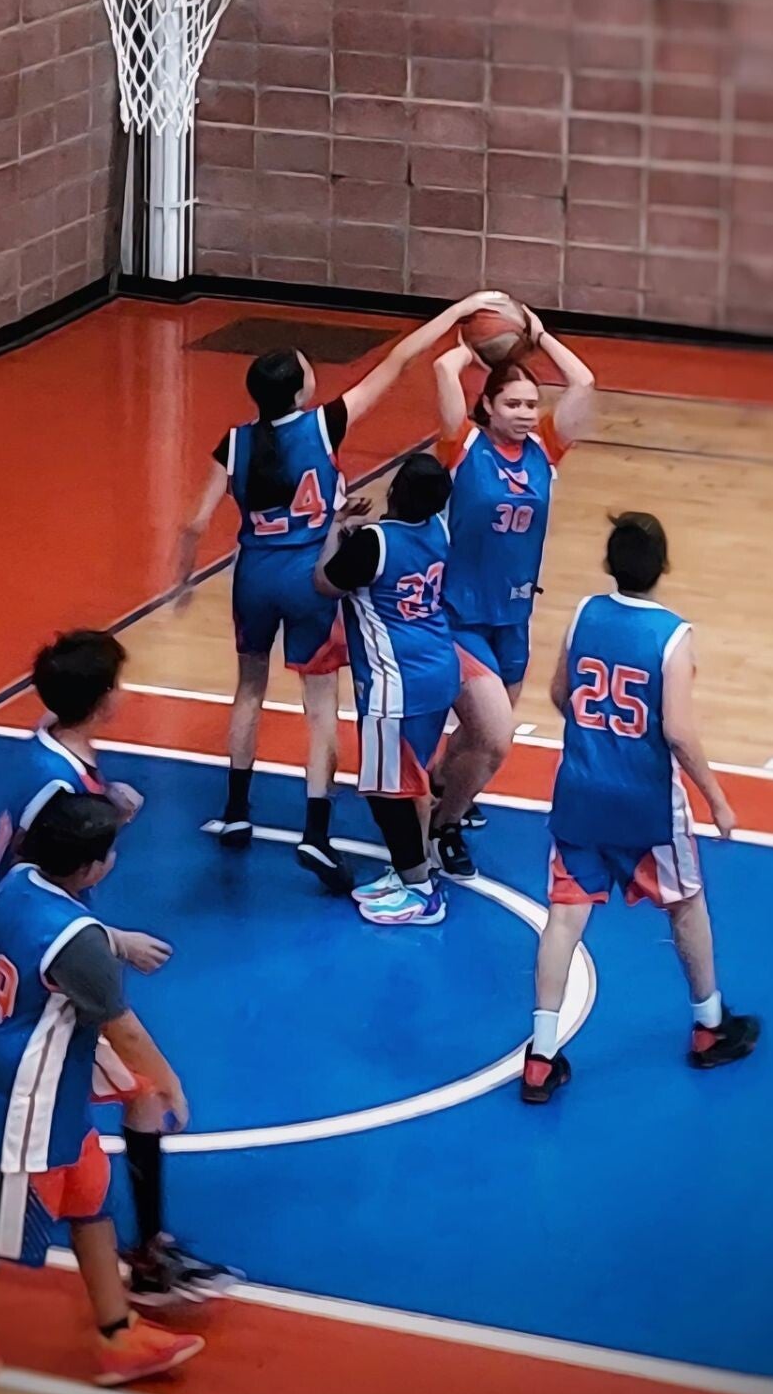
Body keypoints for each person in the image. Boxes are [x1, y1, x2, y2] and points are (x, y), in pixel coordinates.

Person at [0, 630, 235, 1307]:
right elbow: (37, 866)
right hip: (46, 957)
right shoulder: (56, 783)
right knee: (143, 1091)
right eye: (116, 685)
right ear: (101, 701)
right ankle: (148, 1259)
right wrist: (108, 938)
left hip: (26, 943)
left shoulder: (52, 741)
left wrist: (109, 808)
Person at [176, 294, 508, 894]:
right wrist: (461, 309)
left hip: (253, 574)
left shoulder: (235, 441)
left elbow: (195, 523)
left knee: (249, 689)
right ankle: (315, 830)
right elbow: (399, 359)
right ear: (299, 391)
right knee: (320, 706)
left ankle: (237, 810)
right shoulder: (324, 423)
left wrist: (181, 583)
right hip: (310, 571)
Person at [0, 792, 206, 1388]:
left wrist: (113, 940)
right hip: (21, 1104)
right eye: (108, 852)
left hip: (46, 1083)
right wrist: (168, 1082)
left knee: (88, 1195)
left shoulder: (14, 885)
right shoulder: (78, 941)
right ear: (90, 869)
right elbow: (124, 1029)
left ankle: (117, 1332)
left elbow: (52, 932)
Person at [522, 513, 760, 1102]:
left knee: (564, 918)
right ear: (664, 567)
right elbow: (677, 731)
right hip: (644, 804)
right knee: (686, 903)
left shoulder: (584, 613)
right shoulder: (672, 636)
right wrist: (717, 798)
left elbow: (559, 693)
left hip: (580, 793)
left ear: (609, 564)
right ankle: (709, 1025)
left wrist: (597, 735)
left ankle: (541, 1056)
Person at [427, 316, 596, 879]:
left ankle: (442, 787)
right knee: (496, 739)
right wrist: (473, 338)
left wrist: (537, 335)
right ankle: (443, 827)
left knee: (478, 736)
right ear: (488, 406)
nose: (524, 414)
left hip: (513, 617)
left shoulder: (546, 450)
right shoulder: (463, 444)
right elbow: (442, 367)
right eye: (513, 404)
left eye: (530, 404)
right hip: (458, 616)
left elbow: (584, 383)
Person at [313, 453, 458, 928]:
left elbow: (325, 583)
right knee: (408, 780)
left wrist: (336, 528)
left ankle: (420, 889)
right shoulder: (439, 529)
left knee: (386, 792)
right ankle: (410, 871)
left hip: (395, 683)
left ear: (395, 491)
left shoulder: (374, 541)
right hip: (437, 670)